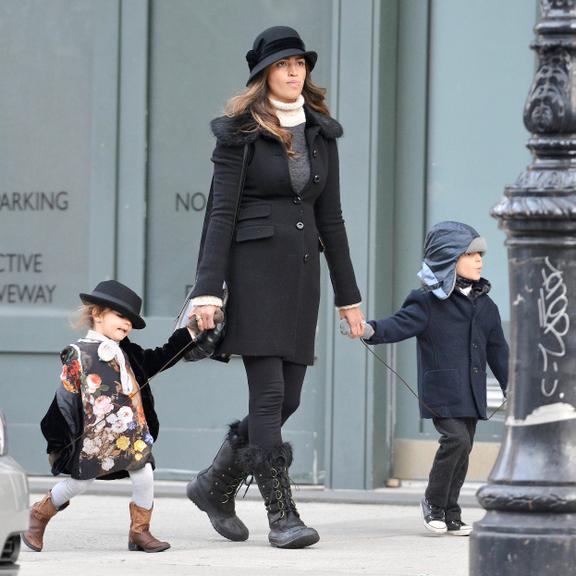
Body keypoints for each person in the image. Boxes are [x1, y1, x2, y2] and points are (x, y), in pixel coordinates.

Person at [186, 25, 365, 549]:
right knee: (267, 399)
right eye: (284, 65)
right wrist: (207, 291)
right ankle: (282, 516)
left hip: (302, 277)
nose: (294, 72)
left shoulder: (320, 133)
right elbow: (220, 215)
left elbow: (332, 220)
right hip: (254, 274)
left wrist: (348, 298)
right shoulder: (238, 132)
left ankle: (214, 484)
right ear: (264, 74)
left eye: (300, 64)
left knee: (287, 400)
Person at [23, 280, 206, 553]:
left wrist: (190, 332)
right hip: (95, 438)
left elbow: (161, 358)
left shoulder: (128, 352)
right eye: (120, 316)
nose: (127, 323)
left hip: (130, 434)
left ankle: (139, 532)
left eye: (131, 320)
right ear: (97, 314)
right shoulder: (79, 353)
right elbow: (63, 399)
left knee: (144, 474)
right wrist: (59, 440)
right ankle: (37, 517)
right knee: (79, 483)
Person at [360, 221, 508, 536]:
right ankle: (433, 501)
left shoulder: (487, 305)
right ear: (448, 259)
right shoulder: (426, 302)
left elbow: (499, 352)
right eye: (470, 254)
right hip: (442, 389)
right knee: (455, 440)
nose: (479, 260)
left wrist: (514, 388)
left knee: (464, 447)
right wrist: (369, 329)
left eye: (481, 254)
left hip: (472, 392)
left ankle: (451, 513)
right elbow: (398, 324)